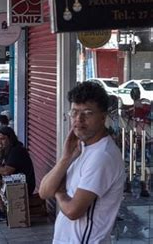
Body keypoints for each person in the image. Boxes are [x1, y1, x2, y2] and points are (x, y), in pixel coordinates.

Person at [39, 81, 125, 243]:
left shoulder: (102, 156)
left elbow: (73, 211)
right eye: (74, 112)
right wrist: (65, 158)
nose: (79, 119)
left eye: (87, 113)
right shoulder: (80, 148)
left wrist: (60, 192)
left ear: (103, 117)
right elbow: (44, 192)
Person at [0, 127, 35, 223]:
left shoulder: (16, 150)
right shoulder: (6, 150)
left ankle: (3, 213)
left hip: (23, 185)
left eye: (2, 139)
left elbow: (6, 171)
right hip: (12, 181)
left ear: (10, 139)